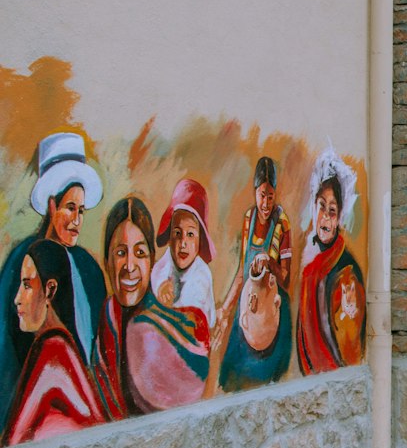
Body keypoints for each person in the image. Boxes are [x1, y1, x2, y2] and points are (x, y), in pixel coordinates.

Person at [0, 132, 106, 426]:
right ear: (51, 206)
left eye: (82, 211)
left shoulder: (88, 268)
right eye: (70, 208)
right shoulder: (23, 260)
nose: (77, 221)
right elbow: (5, 342)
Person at [93, 196, 210, 418]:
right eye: (120, 253)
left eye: (139, 253)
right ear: (106, 261)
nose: (129, 266)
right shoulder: (107, 318)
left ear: (151, 261)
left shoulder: (164, 333)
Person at [3, 239, 106, 445]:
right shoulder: (57, 347)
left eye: (27, 285)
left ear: (50, 290)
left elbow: (14, 441)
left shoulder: (54, 351)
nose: (17, 298)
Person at [216, 155, 292, 391]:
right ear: (255, 192)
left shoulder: (282, 224)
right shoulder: (248, 220)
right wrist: (226, 309)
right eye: (262, 195)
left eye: (271, 196)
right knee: (231, 378)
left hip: (273, 314)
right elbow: (242, 272)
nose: (266, 203)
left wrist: (269, 261)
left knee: (268, 384)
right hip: (248, 310)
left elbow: (286, 280)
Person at [296, 150, 365, 374]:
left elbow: (350, 348)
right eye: (322, 206)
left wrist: (348, 314)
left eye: (332, 211)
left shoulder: (345, 272)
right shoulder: (311, 258)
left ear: (339, 218)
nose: (326, 216)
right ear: (314, 207)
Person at [151, 177, 217, 329]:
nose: (183, 243)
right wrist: (161, 287)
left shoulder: (202, 274)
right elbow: (157, 273)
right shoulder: (166, 261)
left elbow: (193, 312)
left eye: (190, 234)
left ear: (200, 240)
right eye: (177, 233)